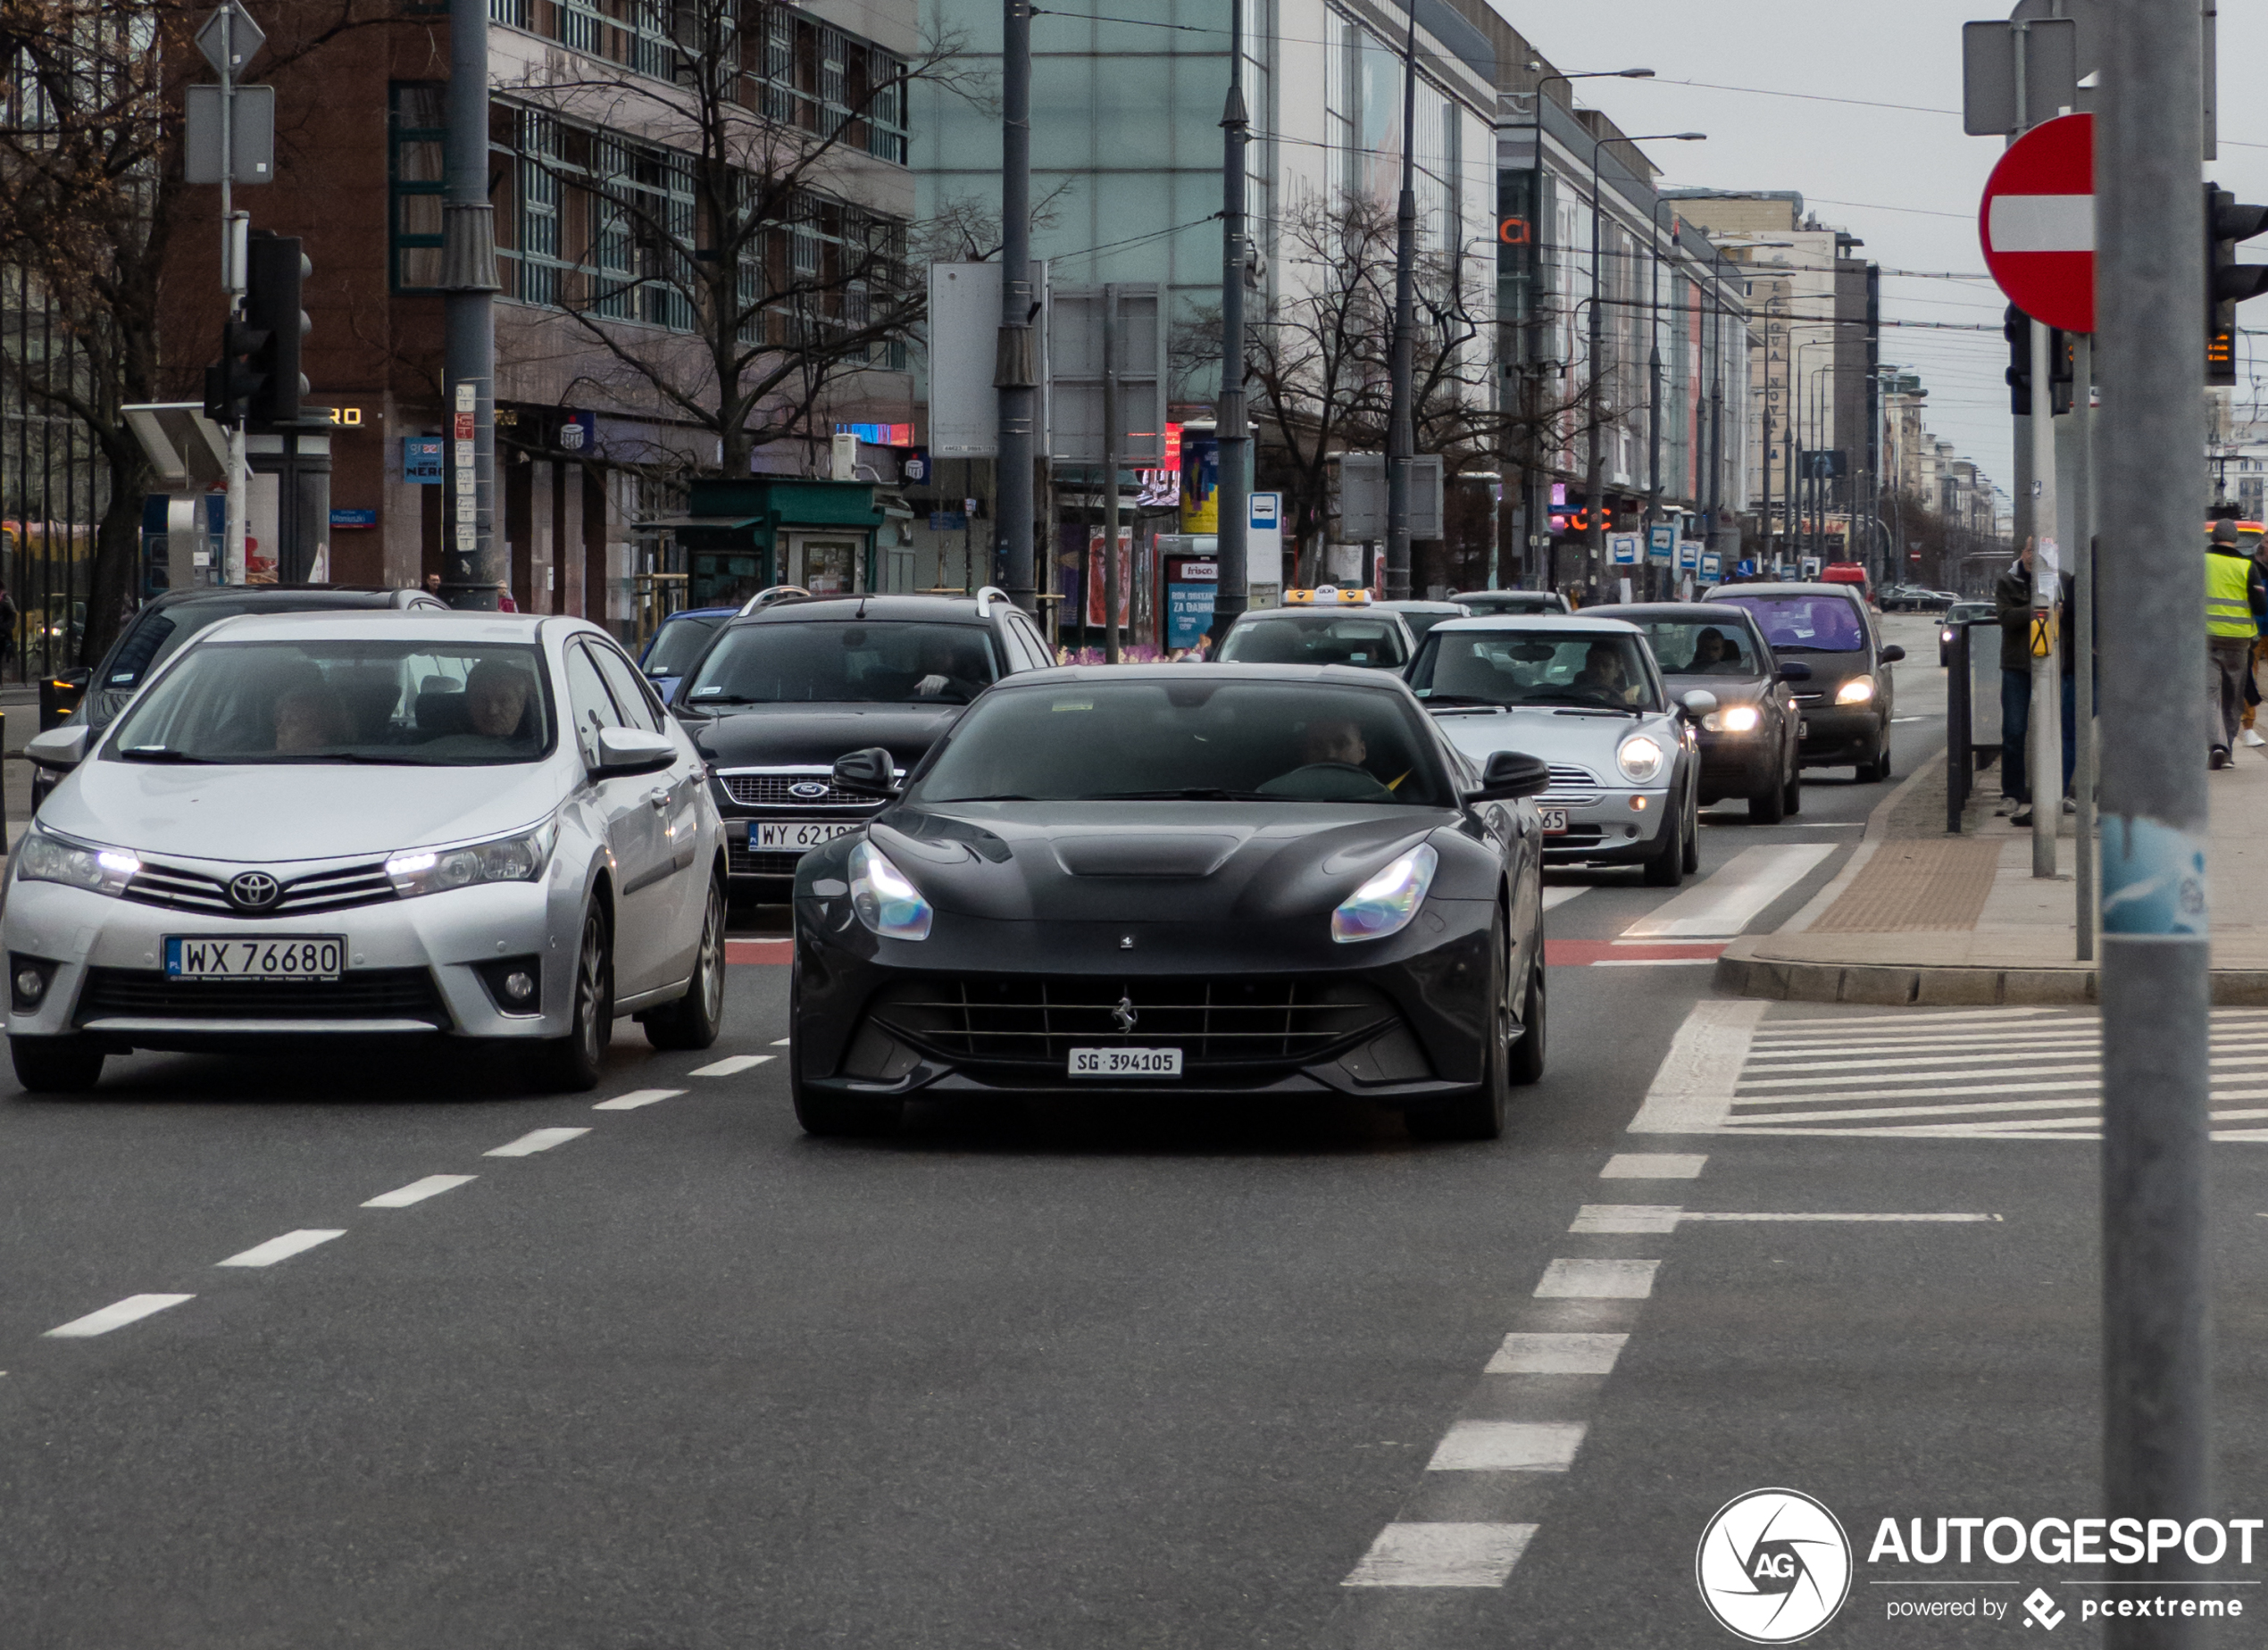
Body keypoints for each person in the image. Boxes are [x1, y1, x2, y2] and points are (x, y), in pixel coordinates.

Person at [2205, 518, 2267, 768]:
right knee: (2233, 695)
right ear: (2236, 541)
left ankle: (2216, 743)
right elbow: (2260, 606)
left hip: (2206, 637)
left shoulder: (2200, 562)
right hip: (2239, 641)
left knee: (2208, 694)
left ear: (2213, 538)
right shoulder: (2246, 566)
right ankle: (2228, 750)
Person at [464, 658, 534, 739]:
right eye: (482, 700)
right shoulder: (452, 747)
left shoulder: (544, 742)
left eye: (503, 700)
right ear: (469, 703)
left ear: (521, 703)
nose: (492, 711)